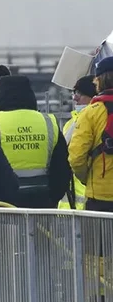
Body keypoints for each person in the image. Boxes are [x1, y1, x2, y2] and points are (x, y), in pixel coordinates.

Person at [0, 75, 71, 208]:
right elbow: (62, 169)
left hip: (3, 203)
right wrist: (51, 199)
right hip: (42, 201)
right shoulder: (48, 122)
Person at [68, 56, 113, 212]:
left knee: (100, 237)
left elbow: (76, 157)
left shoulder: (90, 113)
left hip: (101, 196)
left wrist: (87, 178)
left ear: (99, 81)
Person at [58, 75, 98, 210]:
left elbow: (76, 159)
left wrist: (84, 179)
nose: (75, 98)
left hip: (90, 199)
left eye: (81, 94)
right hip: (69, 204)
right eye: (75, 93)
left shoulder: (96, 120)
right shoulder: (70, 123)